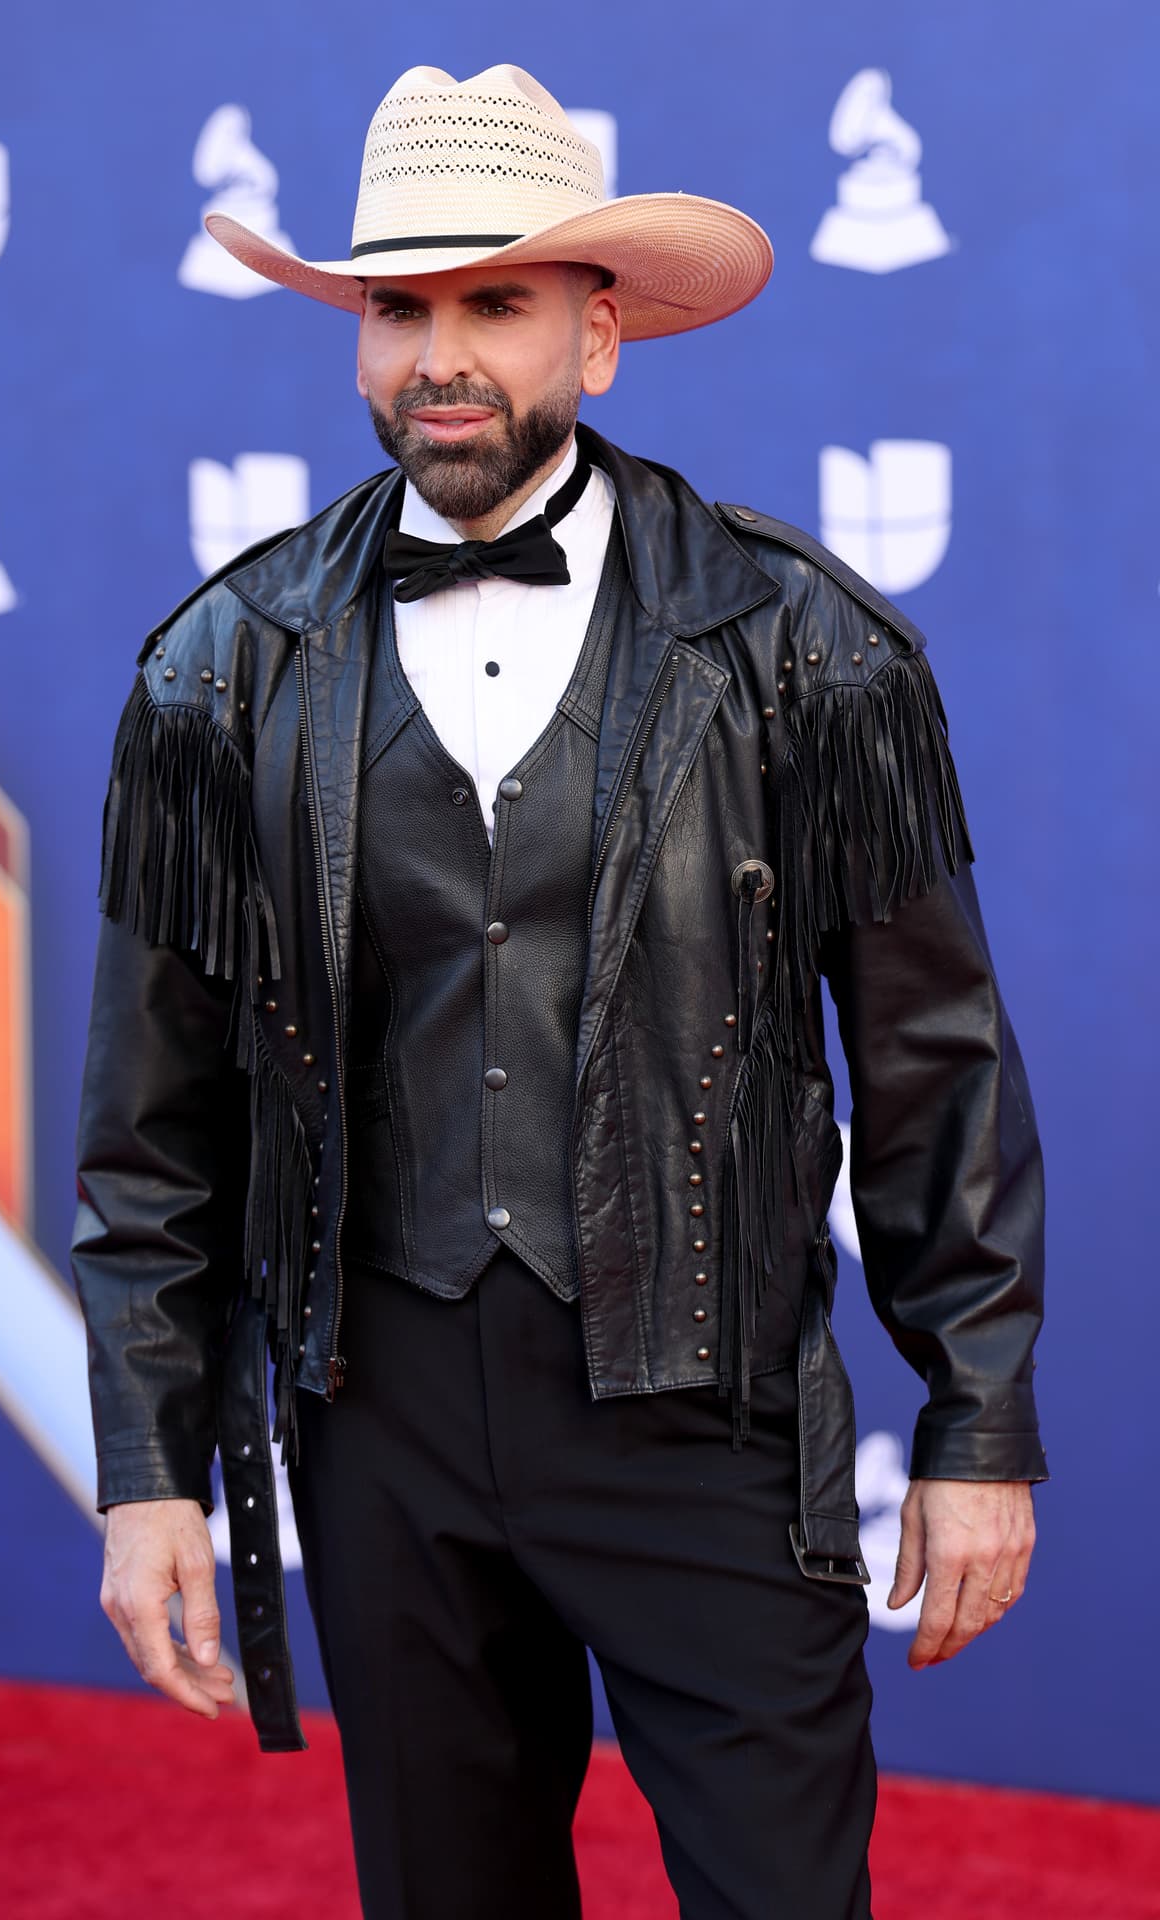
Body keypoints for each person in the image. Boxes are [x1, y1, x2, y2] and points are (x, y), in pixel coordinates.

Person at [72, 63, 1047, 1920]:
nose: (441, 357)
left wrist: (978, 1421)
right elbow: (153, 1129)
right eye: (397, 309)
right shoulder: (217, 672)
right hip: (382, 1427)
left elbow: (937, 1062)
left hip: (709, 1419)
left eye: (492, 307)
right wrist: (145, 1469)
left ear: (599, 337)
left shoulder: (801, 646)